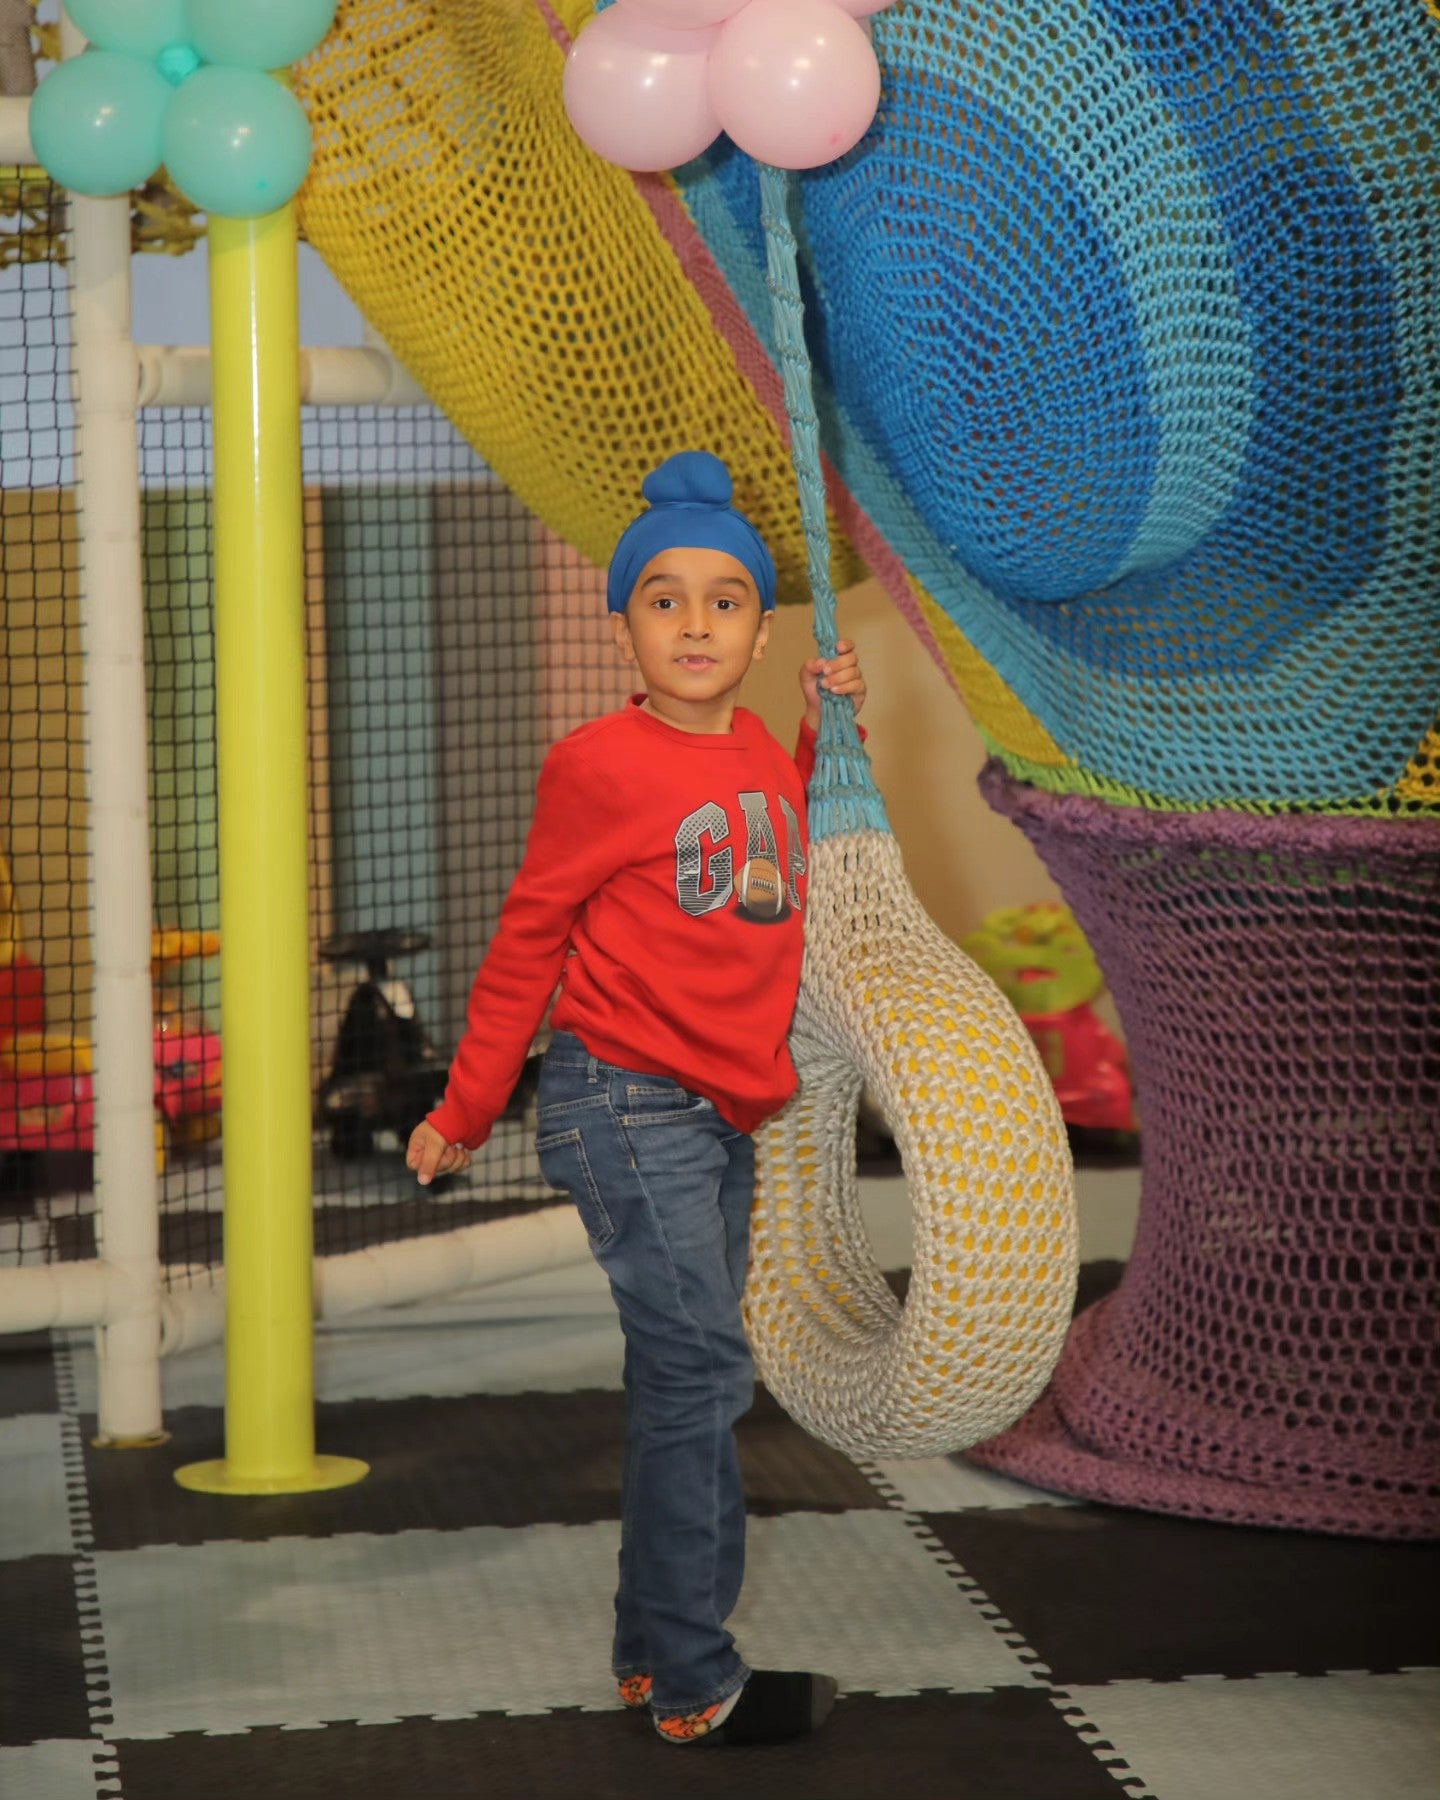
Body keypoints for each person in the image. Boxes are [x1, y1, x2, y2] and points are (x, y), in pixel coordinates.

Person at [406, 450, 866, 1748]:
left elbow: (805, 830)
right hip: (623, 1102)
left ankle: (640, 1648)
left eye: (726, 602)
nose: (697, 624)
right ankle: (694, 1680)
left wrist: (837, 727)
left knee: (677, 1377)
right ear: (623, 622)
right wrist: (468, 1104)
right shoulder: (598, 765)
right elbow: (525, 943)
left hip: (726, 1111)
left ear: (762, 629)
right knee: (704, 1372)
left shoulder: (769, 753)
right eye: (664, 600)